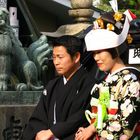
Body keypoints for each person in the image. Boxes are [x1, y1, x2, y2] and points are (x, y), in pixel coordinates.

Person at [75, 9, 140, 140]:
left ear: (115, 50)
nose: (96, 58)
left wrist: (92, 131)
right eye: (94, 53)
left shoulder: (132, 80)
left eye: (99, 52)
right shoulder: (106, 79)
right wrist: (89, 129)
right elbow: (100, 115)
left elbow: (125, 127)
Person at [21, 35, 97, 140]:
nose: (56, 62)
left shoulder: (90, 83)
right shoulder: (52, 85)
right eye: (54, 57)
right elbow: (39, 117)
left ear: (76, 57)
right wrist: (41, 133)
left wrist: (53, 131)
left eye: (60, 57)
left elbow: (82, 116)